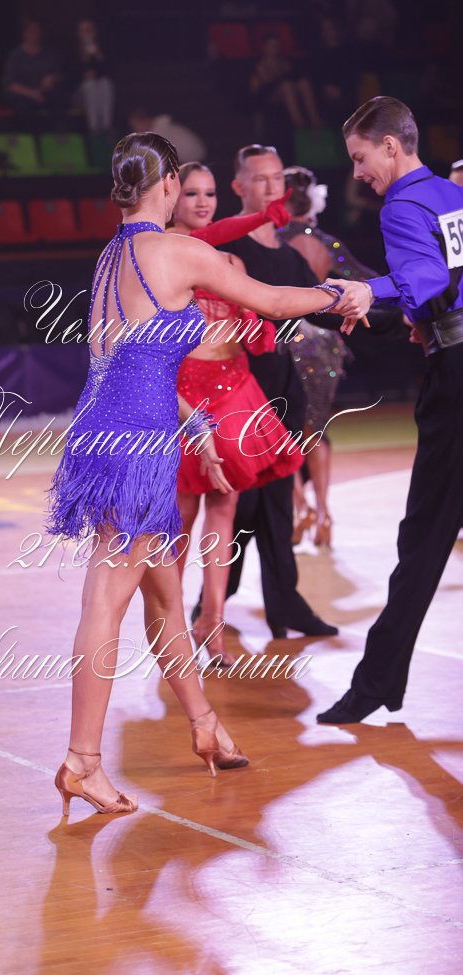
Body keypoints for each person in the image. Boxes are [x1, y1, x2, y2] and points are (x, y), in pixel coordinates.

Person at [47, 132, 362, 816]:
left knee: (165, 597)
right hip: (136, 448)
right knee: (104, 602)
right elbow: (270, 300)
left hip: (108, 431)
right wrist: (335, 293)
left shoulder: (111, 256)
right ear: (166, 185)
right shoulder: (174, 251)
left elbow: (123, 360)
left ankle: (205, 725)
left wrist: (191, 425)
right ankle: (82, 761)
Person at [316, 97, 463, 723]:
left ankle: (375, 682)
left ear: (391, 147)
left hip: (457, 380)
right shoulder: (452, 196)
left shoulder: (402, 204)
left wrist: (369, 288)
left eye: (360, 157)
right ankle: (380, 680)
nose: (357, 173)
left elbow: (426, 279)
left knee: (424, 536)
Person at [169, 161, 303, 665]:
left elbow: (255, 332)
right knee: (182, 516)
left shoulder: (229, 261)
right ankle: (172, 623)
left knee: (224, 511)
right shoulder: (164, 255)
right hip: (187, 396)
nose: (202, 202)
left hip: (234, 391)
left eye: (208, 193)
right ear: (172, 198)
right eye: (191, 193)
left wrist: (253, 321)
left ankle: (212, 621)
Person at [216, 143, 340, 638]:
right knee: (242, 507)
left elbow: (321, 308)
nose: (271, 189)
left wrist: (387, 314)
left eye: (276, 180)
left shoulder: (289, 256)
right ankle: (215, 601)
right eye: (260, 179)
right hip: (238, 392)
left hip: (283, 389)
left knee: (277, 506)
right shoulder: (225, 251)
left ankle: (284, 606)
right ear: (238, 186)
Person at [281, 164, 374, 546]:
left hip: (284, 338)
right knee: (316, 428)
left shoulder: (273, 241)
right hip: (324, 343)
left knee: (282, 428)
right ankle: (323, 513)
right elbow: (362, 277)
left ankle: (298, 505)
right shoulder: (325, 242)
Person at [249, 34, 323, 129]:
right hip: (269, 95)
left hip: (286, 89)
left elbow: (291, 75)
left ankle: (314, 118)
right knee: (286, 85)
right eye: (271, 45)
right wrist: (279, 71)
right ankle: (299, 122)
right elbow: (267, 82)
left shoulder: (284, 62)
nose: (274, 48)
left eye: (276, 46)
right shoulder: (260, 65)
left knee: (303, 82)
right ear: (264, 47)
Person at [3, 20, 63, 127]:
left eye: (37, 31)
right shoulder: (15, 56)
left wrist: (52, 79)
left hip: (45, 94)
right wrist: (32, 94)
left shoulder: (48, 54)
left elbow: (59, 75)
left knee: (59, 100)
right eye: (31, 31)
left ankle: (58, 135)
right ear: (24, 33)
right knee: (22, 107)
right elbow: (11, 84)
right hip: (24, 95)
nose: (35, 34)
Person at [71, 19, 114, 137]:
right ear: (79, 33)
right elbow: (69, 76)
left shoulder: (101, 50)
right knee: (89, 85)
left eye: (89, 30)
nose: (87, 33)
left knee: (105, 83)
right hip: (80, 93)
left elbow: (109, 71)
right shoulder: (73, 51)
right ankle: (94, 128)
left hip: (98, 91)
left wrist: (98, 55)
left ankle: (106, 126)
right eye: (84, 31)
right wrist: (84, 63)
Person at [128, 109, 206, 164]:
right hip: (190, 158)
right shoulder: (158, 128)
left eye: (137, 124)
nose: (135, 129)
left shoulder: (161, 133)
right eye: (133, 126)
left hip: (195, 160)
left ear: (145, 120)